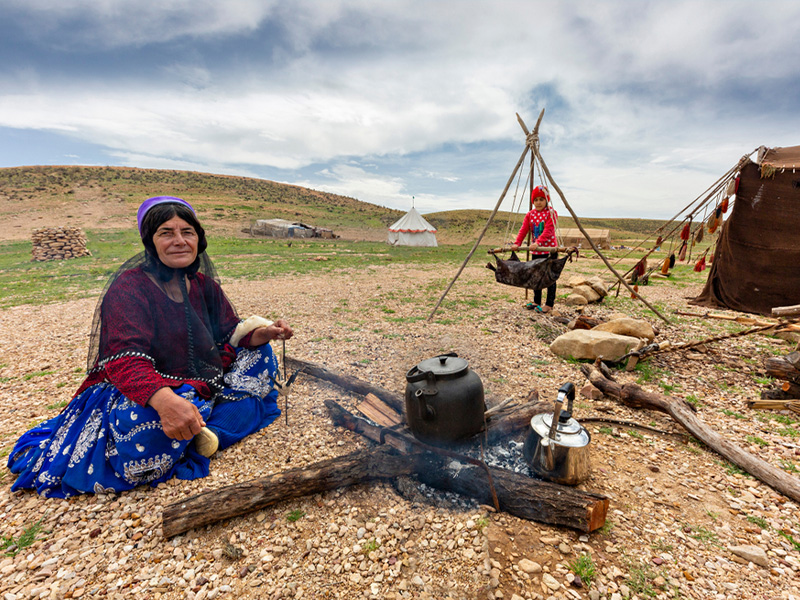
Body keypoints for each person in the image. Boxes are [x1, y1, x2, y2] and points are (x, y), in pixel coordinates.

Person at [8, 196, 293, 498]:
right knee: (144, 429)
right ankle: (208, 423)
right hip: (145, 387)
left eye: (187, 232)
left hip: (201, 378)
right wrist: (166, 402)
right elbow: (125, 361)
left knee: (261, 354)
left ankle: (207, 432)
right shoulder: (128, 289)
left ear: (198, 239)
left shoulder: (203, 285)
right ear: (150, 241)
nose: (179, 241)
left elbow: (229, 332)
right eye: (166, 233)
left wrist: (265, 332)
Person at [510, 185, 559, 313]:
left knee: (550, 277)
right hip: (536, 251)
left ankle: (549, 304)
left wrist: (538, 242)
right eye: (535, 200)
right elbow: (524, 229)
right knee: (536, 276)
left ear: (546, 200)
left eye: (541, 199)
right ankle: (537, 301)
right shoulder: (530, 215)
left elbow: (548, 230)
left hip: (549, 250)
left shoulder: (551, 213)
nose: (538, 202)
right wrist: (517, 243)